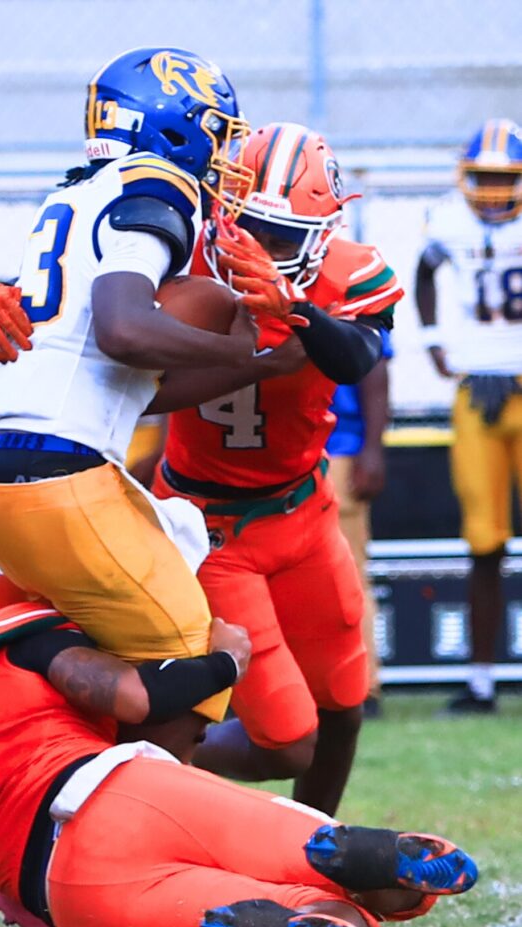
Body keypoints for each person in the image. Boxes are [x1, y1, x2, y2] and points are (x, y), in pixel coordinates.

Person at [0, 558, 477, 927]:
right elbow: (129, 696)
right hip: (107, 792)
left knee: (322, 922)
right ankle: (360, 859)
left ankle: (298, 923)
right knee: (312, 851)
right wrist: (224, 663)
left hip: (65, 892)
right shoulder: (5, 636)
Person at [0, 45, 268, 727]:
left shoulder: (72, 191)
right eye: (215, 131)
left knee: (145, 614)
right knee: (192, 667)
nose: (223, 154)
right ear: (174, 126)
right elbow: (123, 329)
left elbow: (124, 368)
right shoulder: (157, 184)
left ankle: (50, 724)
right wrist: (251, 358)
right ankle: (146, 827)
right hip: (59, 479)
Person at [152, 123, 403, 814]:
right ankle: (137, 769)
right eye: (247, 226)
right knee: (288, 740)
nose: (260, 250)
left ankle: (320, 851)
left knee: (344, 704)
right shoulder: (177, 262)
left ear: (322, 233)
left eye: (281, 237)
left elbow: (357, 356)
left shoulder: (345, 272)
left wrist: (296, 312)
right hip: (210, 527)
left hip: (302, 510)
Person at [416, 118, 522, 715]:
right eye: (482, 176)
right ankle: (482, 680)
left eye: (503, 178)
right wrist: (434, 339)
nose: (491, 189)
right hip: (476, 393)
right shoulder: (448, 221)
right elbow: (426, 269)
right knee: (484, 541)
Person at [327, 346, 394, 719]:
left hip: (336, 446)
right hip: (273, 448)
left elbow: (374, 362)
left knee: (347, 574)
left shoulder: (349, 289)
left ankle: (363, 685)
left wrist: (371, 448)